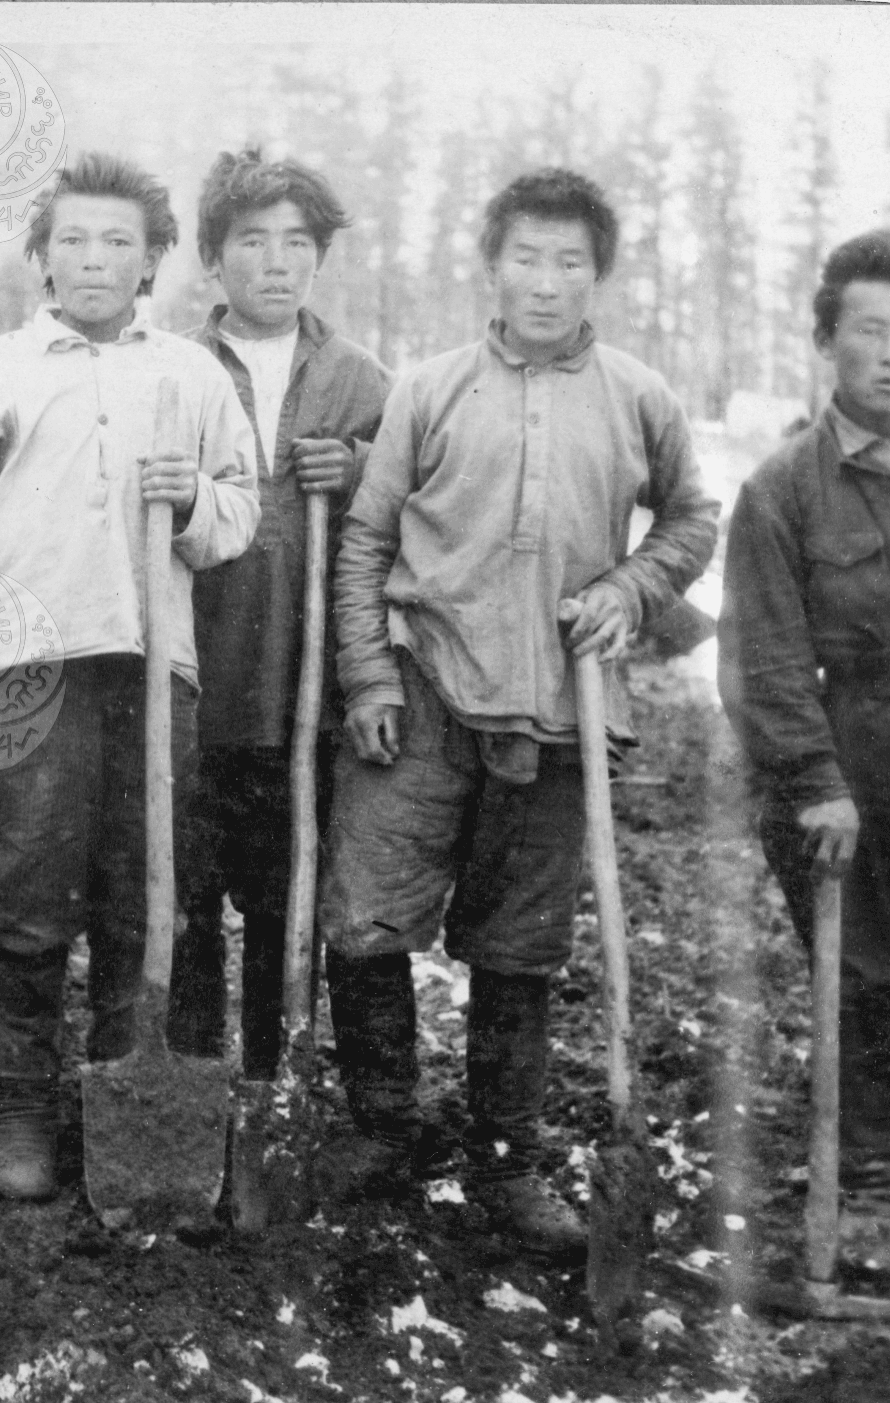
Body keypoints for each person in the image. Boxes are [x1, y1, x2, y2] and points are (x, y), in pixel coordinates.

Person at [324, 169, 718, 1254]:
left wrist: (628, 589)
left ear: (597, 276)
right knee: (364, 916)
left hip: (556, 715)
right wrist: (365, 676)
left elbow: (690, 519)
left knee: (519, 948)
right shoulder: (431, 388)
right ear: (489, 265)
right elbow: (365, 538)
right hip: (421, 690)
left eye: (568, 263)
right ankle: (380, 1130)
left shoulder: (638, 395)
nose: (545, 284)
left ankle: (505, 1159)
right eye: (525, 259)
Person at [0, 152, 260, 1201]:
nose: (94, 259)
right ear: (40, 256)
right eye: (72, 239)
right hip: (31, 671)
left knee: (140, 895)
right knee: (25, 898)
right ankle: (20, 1102)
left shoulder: (192, 377)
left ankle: (124, 1089)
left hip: (154, 669)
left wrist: (196, 495)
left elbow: (240, 515)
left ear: (152, 258)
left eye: (118, 240)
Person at [718, 227, 890, 1275]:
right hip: (844, 749)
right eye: (869, 330)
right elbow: (761, 659)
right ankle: (869, 1184)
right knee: (855, 979)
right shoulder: (779, 490)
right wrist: (813, 782)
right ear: (826, 340)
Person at [168, 151, 392, 1078]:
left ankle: (267, 1075)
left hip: (305, 694)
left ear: (320, 258)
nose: (276, 262)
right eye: (252, 241)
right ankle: (184, 1076)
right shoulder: (174, 368)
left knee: (280, 897)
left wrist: (364, 466)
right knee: (182, 893)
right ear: (214, 260)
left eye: (298, 242)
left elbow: (415, 507)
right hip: (191, 683)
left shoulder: (360, 379)